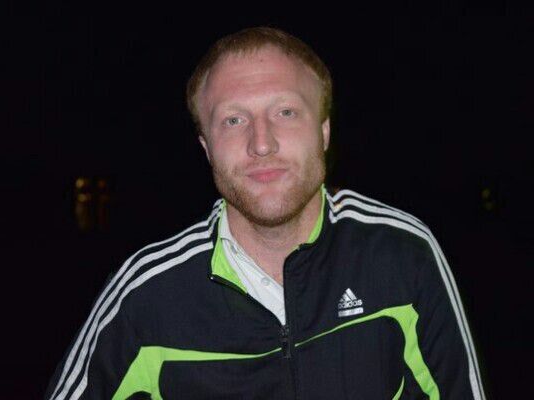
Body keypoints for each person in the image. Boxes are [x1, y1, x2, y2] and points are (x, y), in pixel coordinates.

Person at [45, 27, 486, 399]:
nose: (261, 143)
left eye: (286, 112)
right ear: (206, 147)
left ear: (323, 132)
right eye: (233, 120)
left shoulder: (401, 252)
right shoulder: (145, 295)